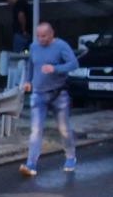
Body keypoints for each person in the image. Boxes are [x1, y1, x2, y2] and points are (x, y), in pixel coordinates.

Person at [20, 21, 79, 177]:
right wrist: (28, 81)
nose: (41, 39)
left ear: (52, 33)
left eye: (44, 36)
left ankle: (71, 156)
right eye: (38, 36)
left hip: (58, 94)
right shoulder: (34, 47)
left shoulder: (61, 46)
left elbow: (74, 64)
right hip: (38, 93)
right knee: (36, 130)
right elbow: (30, 65)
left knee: (64, 128)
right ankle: (31, 164)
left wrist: (56, 68)